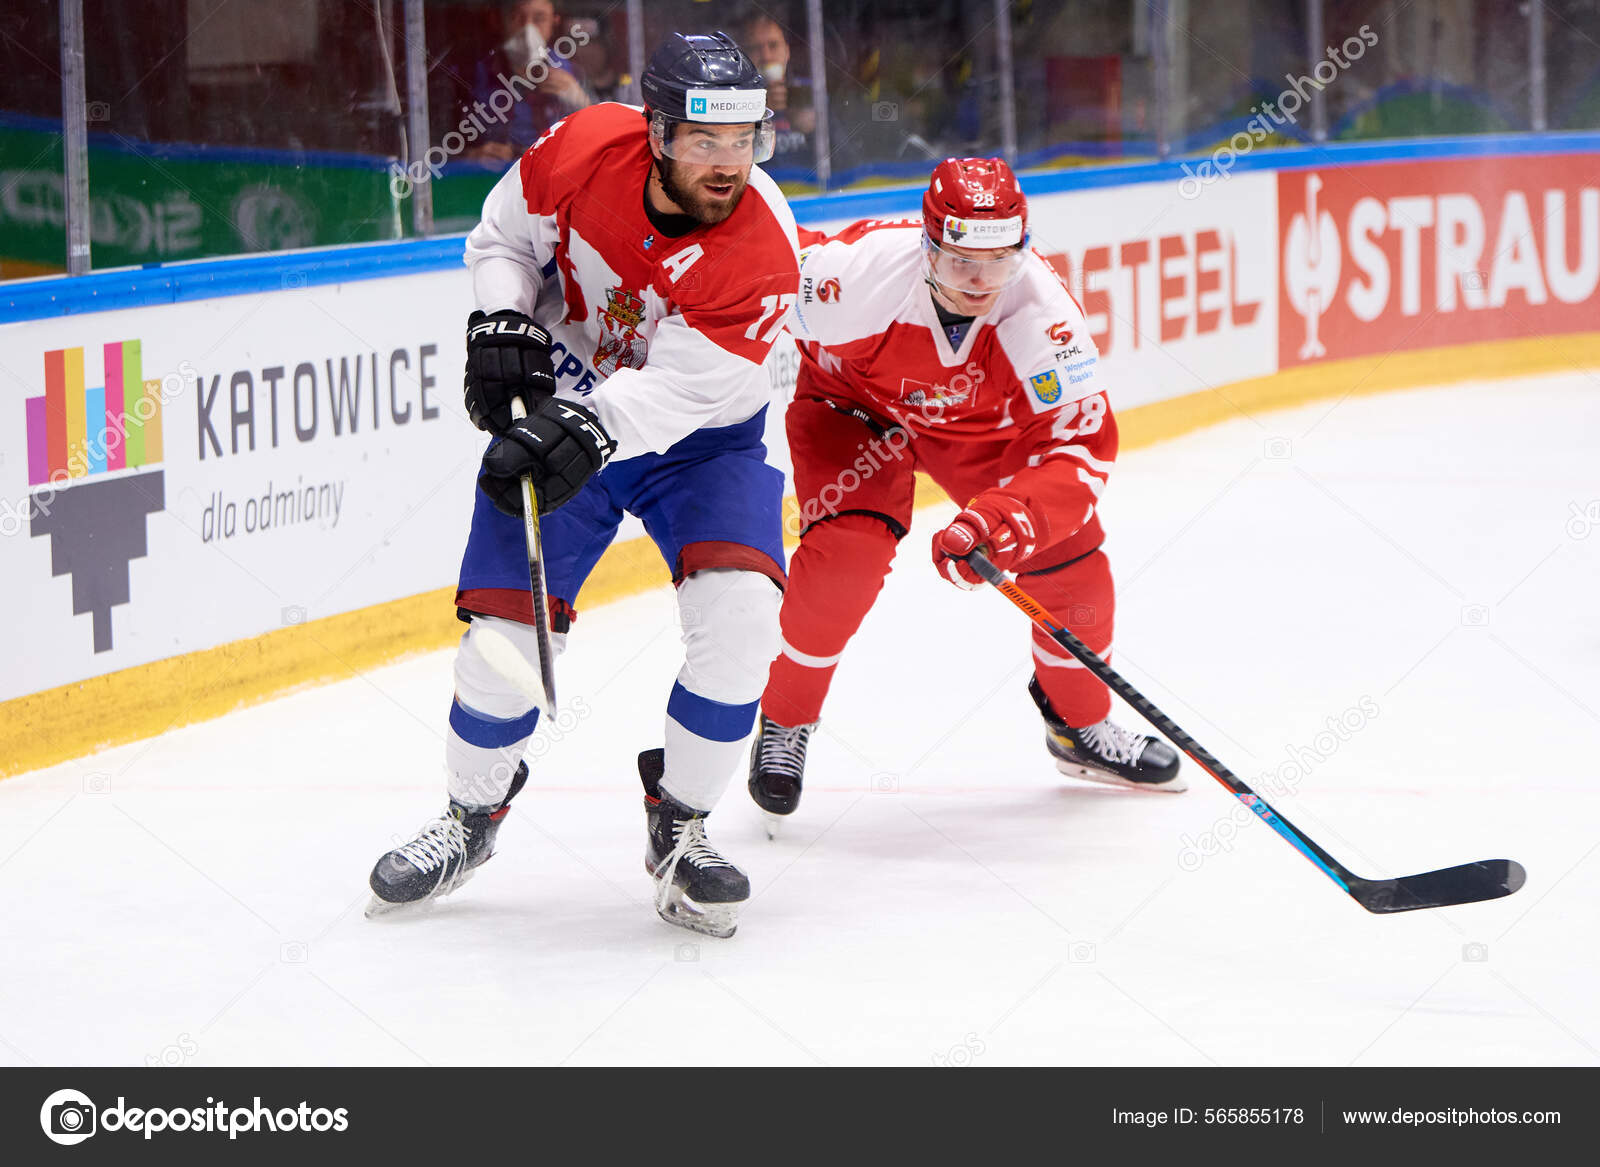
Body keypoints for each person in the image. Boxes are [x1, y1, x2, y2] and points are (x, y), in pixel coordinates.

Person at [367, 31, 801, 940]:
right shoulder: (585, 144)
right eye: (703, 141)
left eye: (744, 141)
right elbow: (503, 236)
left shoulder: (761, 248)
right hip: (570, 396)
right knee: (503, 636)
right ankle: (471, 815)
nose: (727, 166)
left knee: (741, 623)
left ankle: (680, 823)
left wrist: (587, 423)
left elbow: (688, 391)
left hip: (702, 440)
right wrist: (498, 317)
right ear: (655, 131)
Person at [749, 157, 1185, 829]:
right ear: (928, 245)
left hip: (974, 430)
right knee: (845, 561)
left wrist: (1003, 523)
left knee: (1070, 560)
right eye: (961, 263)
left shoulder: (1043, 317)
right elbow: (741, 277)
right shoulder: (849, 275)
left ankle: (1079, 724)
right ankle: (786, 716)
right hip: (853, 411)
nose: (983, 283)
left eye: (1002, 261)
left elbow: (1080, 450)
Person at [467, 0, 591, 161]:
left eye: (539, 19)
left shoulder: (574, 73)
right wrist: (470, 156)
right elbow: (438, 146)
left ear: (554, 22)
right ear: (498, 21)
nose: (527, 29)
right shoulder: (472, 74)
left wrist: (583, 102)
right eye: (516, 17)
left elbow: (604, 137)